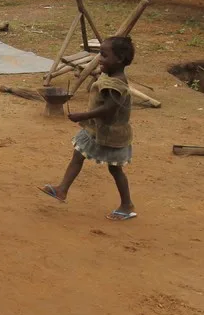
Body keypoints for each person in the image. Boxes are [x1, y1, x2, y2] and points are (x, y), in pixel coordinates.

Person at [39, 36, 137, 221]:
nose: (99, 59)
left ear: (120, 59)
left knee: (115, 169)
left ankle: (127, 205)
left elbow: (108, 110)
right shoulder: (112, 77)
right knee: (78, 155)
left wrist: (81, 116)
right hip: (97, 130)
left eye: (104, 55)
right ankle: (62, 190)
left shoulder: (114, 84)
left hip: (110, 134)